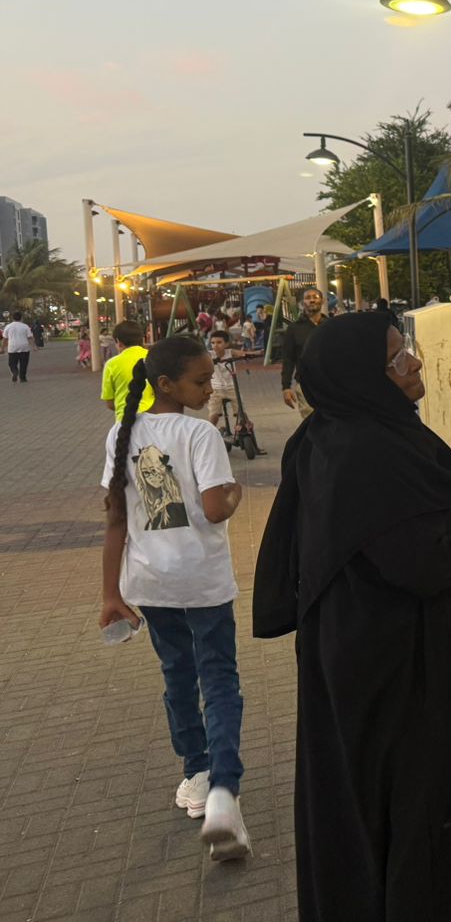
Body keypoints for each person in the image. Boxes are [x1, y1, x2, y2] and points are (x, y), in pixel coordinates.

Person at [252, 313, 451, 921]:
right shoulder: (365, 452)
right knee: (421, 807)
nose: (414, 363)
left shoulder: (338, 434)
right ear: (359, 377)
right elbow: (423, 562)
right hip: (403, 670)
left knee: (377, 808)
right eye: (395, 360)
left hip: (374, 654)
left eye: (407, 350)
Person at [98, 336, 250, 860]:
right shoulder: (199, 433)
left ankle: (196, 771)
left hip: (151, 582)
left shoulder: (121, 434)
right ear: (166, 384)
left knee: (177, 675)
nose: (209, 388)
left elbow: (115, 520)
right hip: (202, 580)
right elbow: (215, 508)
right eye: (200, 381)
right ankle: (223, 790)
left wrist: (110, 593)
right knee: (220, 679)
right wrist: (236, 492)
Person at [279, 286, 327, 420]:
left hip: (330, 383)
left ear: (322, 301)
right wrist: (286, 387)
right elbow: (288, 359)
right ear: (302, 303)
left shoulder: (331, 325)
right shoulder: (294, 329)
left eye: (315, 297)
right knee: (311, 422)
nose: (312, 300)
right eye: (308, 298)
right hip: (306, 385)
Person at [102, 320, 155, 416]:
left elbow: (109, 402)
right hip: (153, 417)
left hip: (125, 418)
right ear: (142, 339)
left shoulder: (111, 364)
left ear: (118, 342)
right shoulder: (153, 357)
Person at [205, 331, 239, 431]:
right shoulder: (209, 355)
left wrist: (254, 354)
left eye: (219, 342)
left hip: (232, 387)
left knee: (241, 413)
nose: (215, 345)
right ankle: (209, 431)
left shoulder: (230, 352)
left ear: (226, 344)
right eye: (213, 343)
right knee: (214, 414)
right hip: (216, 389)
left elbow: (242, 353)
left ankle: (243, 430)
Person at [3, 311, 34, 382]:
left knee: (12, 363)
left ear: (12, 318)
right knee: (24, 363)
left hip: (12, 347)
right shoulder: (25, 326)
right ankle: (22, 378)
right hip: (24, 347)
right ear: (21, 318)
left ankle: (15, 371)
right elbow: (30, 337)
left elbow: (5, 339)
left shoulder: (8, 326)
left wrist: (2, 348)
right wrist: (34, 346)